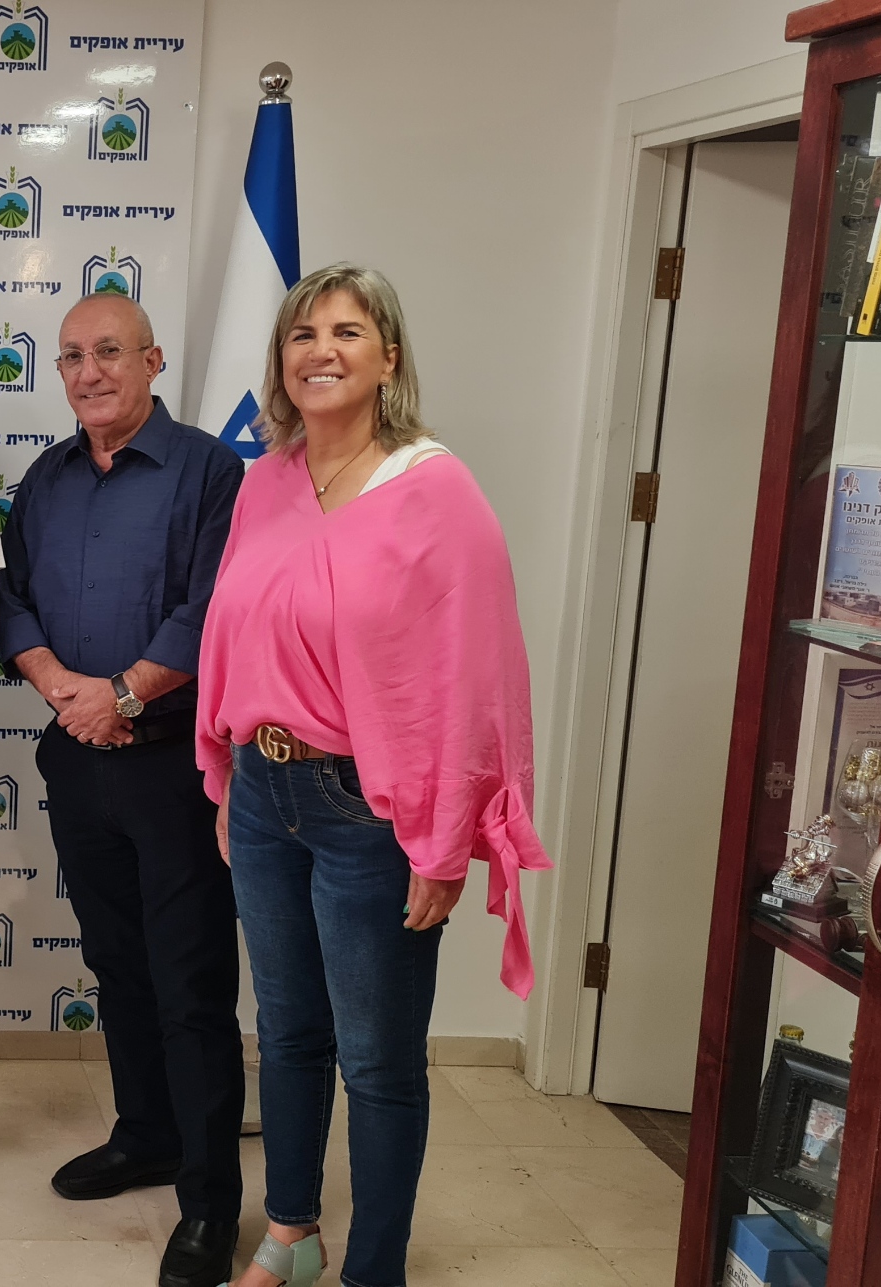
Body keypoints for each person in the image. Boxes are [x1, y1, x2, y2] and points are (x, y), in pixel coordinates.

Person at [196, 264, 550, 1287]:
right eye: (301, 335)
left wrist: (444, 839)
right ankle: (291, 1236)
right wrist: (229, 775)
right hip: (264, 794)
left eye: (346, 332)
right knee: (285, 1034)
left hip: (368, 811)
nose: (321, 351)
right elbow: (236, 634)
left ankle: (373, 1270)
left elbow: (473, 676)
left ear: (387, 357)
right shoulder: (265, 481)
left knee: (378, 1059)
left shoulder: (434, 491)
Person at [0, 292, 247, 1287]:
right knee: (115, 962)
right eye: (71, 356)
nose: (88, 372)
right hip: (76, 755)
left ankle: (208, 1201)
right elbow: (10, 598)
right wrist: (65, 690)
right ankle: (145, 1133)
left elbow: (212, 605)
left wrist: (125, 693)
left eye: (108, 351)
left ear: (152, 360)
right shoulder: (46, 478)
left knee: (190, 982)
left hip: (174, 765)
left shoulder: (209, 470)